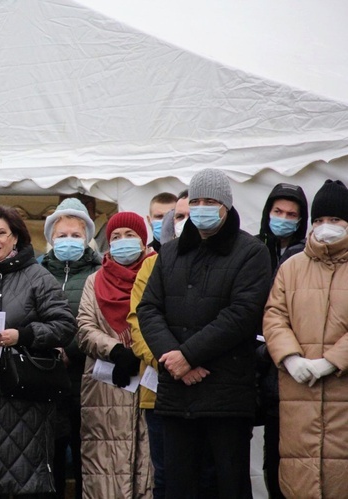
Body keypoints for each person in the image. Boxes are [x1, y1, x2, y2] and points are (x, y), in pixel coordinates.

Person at [137, 168, 271, 498]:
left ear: (226, 205)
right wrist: (174, 358)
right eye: (195, 201)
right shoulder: (169, 253)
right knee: (178, 485)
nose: (201, 208)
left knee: (229, 483)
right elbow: (148, 309)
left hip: (227, 392)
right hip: (176, 392)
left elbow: (242, 315)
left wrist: (188, 355)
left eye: (209, 201)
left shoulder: (251, 252)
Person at [0, 204, 76, 497]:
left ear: (15, 237)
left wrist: (23, 334)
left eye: (1, 233)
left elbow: (65, 325)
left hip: (25, 398)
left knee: (22, 481)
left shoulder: (38, 276)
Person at [263, 179, 348, 498]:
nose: (327, 227)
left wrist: (331, 362)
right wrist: (290, 357)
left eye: (336, 220)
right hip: (299, 396)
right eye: (320, 220)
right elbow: (274, 314)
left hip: (342, 392)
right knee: (299, 477)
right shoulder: (292, 267)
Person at [77, 211, 153, 498]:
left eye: (130, 235)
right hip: (104, 390)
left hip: (149, 380)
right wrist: (117, 351)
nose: (122, 242)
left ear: (143, 241)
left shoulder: (155, 275)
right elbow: (84, 327)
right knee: (104, 466)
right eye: (116, 237)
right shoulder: (94, 280)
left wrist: (141, 352)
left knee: (148, 464)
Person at [128, 190, 190, 499]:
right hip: (160, 389)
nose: (186, 223)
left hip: (211, 388)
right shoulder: (152, 266)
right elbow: (139, 322)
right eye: (179, 217)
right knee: (165, 475)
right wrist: (169, 362)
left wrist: (191, 359)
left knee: (209, 476)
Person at [41, 198, 101, 499]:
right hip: (46, 376)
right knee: (49, 453)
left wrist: (72, 349)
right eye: (62, 235)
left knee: (85, 452)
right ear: (51, 238)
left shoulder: (99, 272)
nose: (68, 241)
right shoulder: (37, 272)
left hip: (87, 377)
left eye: (75, 235)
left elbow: (99, 322)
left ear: (87, 237)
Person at [254, 182, 308, 499]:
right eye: (278, 212)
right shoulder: (255, 250)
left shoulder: (304, 257)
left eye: (291, 214)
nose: (283, 219)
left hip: (288, 369)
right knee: (269, 461)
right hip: (256, 371)